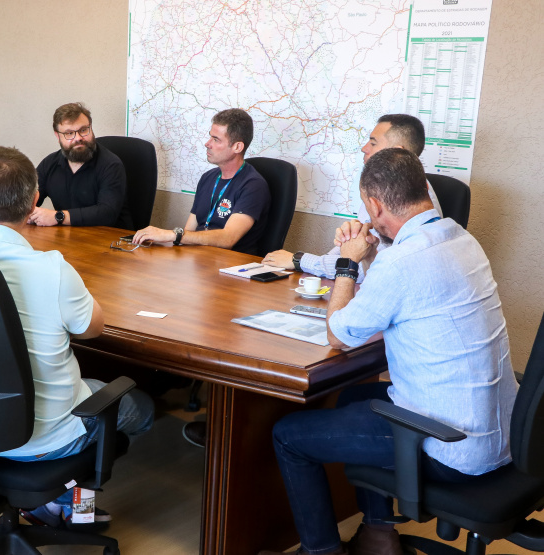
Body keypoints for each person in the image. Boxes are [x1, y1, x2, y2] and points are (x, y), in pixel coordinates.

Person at [260, 148, 518, 555]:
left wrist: (347, 263)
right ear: (423, 190)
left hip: (452, 446)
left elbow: (338, 334)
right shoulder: (460, 238)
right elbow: (400, 292)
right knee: (354, 396)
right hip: (505, 436)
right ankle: (379, 534)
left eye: (367, 208)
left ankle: (322, 551)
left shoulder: (401, 262)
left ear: (375, 205)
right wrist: (374, 253)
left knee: (288, 435)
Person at [0, 146, 154, 528]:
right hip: (44, 441)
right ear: (33, 201)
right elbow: (93, 329)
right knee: (140, 406)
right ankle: (75, 510)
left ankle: (57, 505)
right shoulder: (51, 269)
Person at [263, 114, 442, 280]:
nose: (364, 148)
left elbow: (371, 269)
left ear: (396, 151)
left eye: (373, 143)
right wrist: (317, 261)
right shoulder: (382, 188)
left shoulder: (410, 201)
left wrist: (299, 261)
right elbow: (356, 251)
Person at [132, 108, 270, 254]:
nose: (207, 143)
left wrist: (172, 234)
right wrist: (161, 239)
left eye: (216, 139)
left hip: (231, 266)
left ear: (237, 147)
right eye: (210, 137)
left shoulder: (253, 186)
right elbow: (189, 231)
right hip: (199, 259)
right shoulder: (208, 177)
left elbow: (228, 239)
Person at [28, 102, 132, 229]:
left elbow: (107, 214)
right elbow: (28, 202)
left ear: (91, 128)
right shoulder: (49, 164)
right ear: (57, 135)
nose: (78, 138)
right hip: (68, 238)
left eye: (83, 130)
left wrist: (58, 217)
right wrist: (28, 214)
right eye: (69, 133)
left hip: (109, 240)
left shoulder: (111, 165)